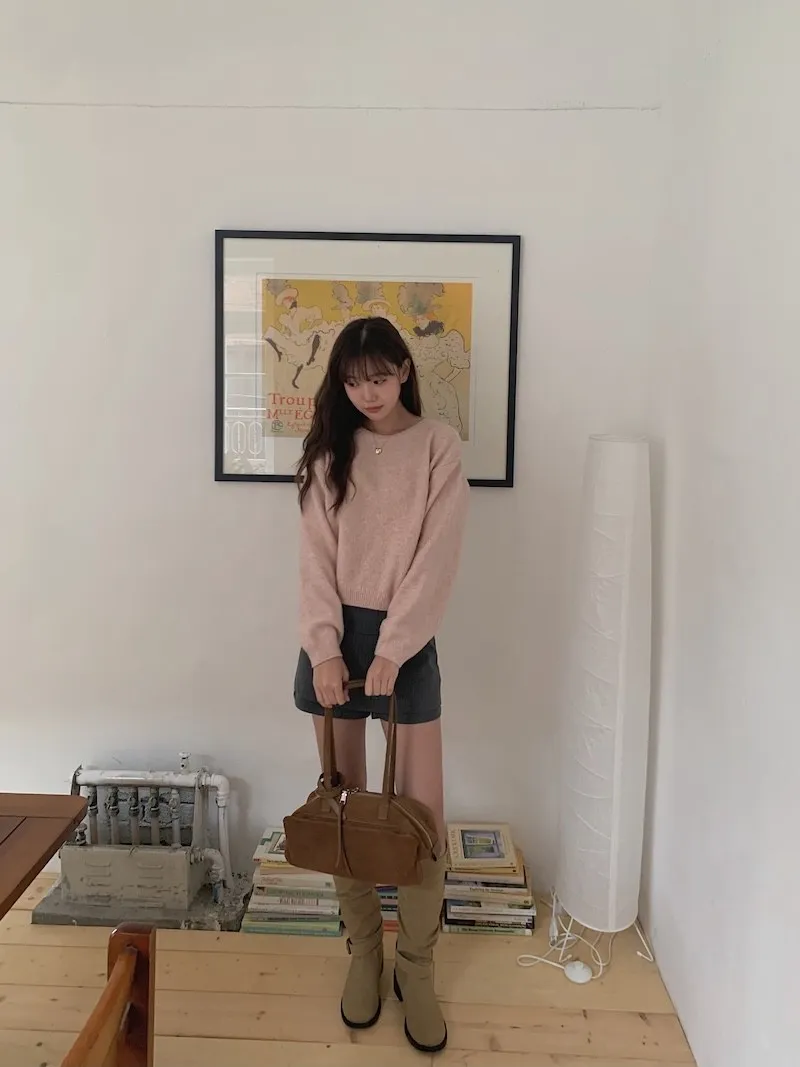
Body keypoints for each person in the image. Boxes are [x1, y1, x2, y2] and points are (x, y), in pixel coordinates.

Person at [293, 316, 469, 1055]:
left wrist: (397, 644)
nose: (366, 392)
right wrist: (324, 649)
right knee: (342, 804)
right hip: (333, 643)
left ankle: (416, 969)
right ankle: (365, 954)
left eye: (378, 376)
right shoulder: (328, 451)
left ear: (403, 372)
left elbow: (437, 554)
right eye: (353, 380)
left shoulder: (437, 446)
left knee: (421, 815)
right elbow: (314, 557)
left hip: (409, 641)